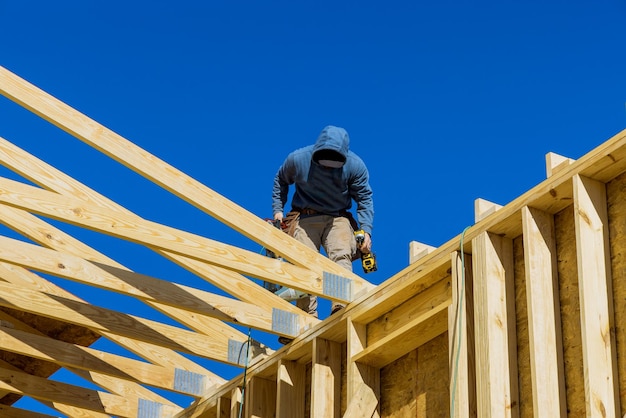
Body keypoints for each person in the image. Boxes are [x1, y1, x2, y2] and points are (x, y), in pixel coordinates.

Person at [272, 125, 374, 324]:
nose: (328, 166)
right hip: (305, 216)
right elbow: (280, 180)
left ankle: (341, 305)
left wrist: (366, 231)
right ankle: (306, 318)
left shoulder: (355, 166)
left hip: (337, 217)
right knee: (303, 260)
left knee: (340, 253)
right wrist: (278, 211)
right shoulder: (298, 159)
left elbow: (365, 198)